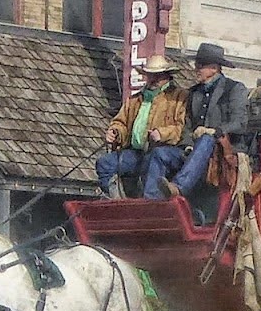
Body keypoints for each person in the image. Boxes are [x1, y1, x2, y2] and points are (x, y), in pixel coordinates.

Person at [142, 42, 249, 206]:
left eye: (200, 65)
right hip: (194, 152)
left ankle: (179, 186)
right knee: (160, 154)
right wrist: (187, 145)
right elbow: (187, 126)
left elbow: (240, 123)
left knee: (206, 139)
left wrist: (215, 131)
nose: (195, 68)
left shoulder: (234, 89)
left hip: (223, 152)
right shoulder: (193, 93)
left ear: (214, 68)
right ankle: (151, 203)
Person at [95, 55, 186, 198]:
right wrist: (116, 132)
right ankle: (117, 200)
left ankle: (149, 203)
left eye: (158, 75)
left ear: (167, 76)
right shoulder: (135, 99)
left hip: (162, 152)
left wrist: (161, 133)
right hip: (135, 153)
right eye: (150, 75)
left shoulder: (179, 97)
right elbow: (121, 122)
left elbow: (182, 127)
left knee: (155, 159)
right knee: (105, 164)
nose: (154, 79)